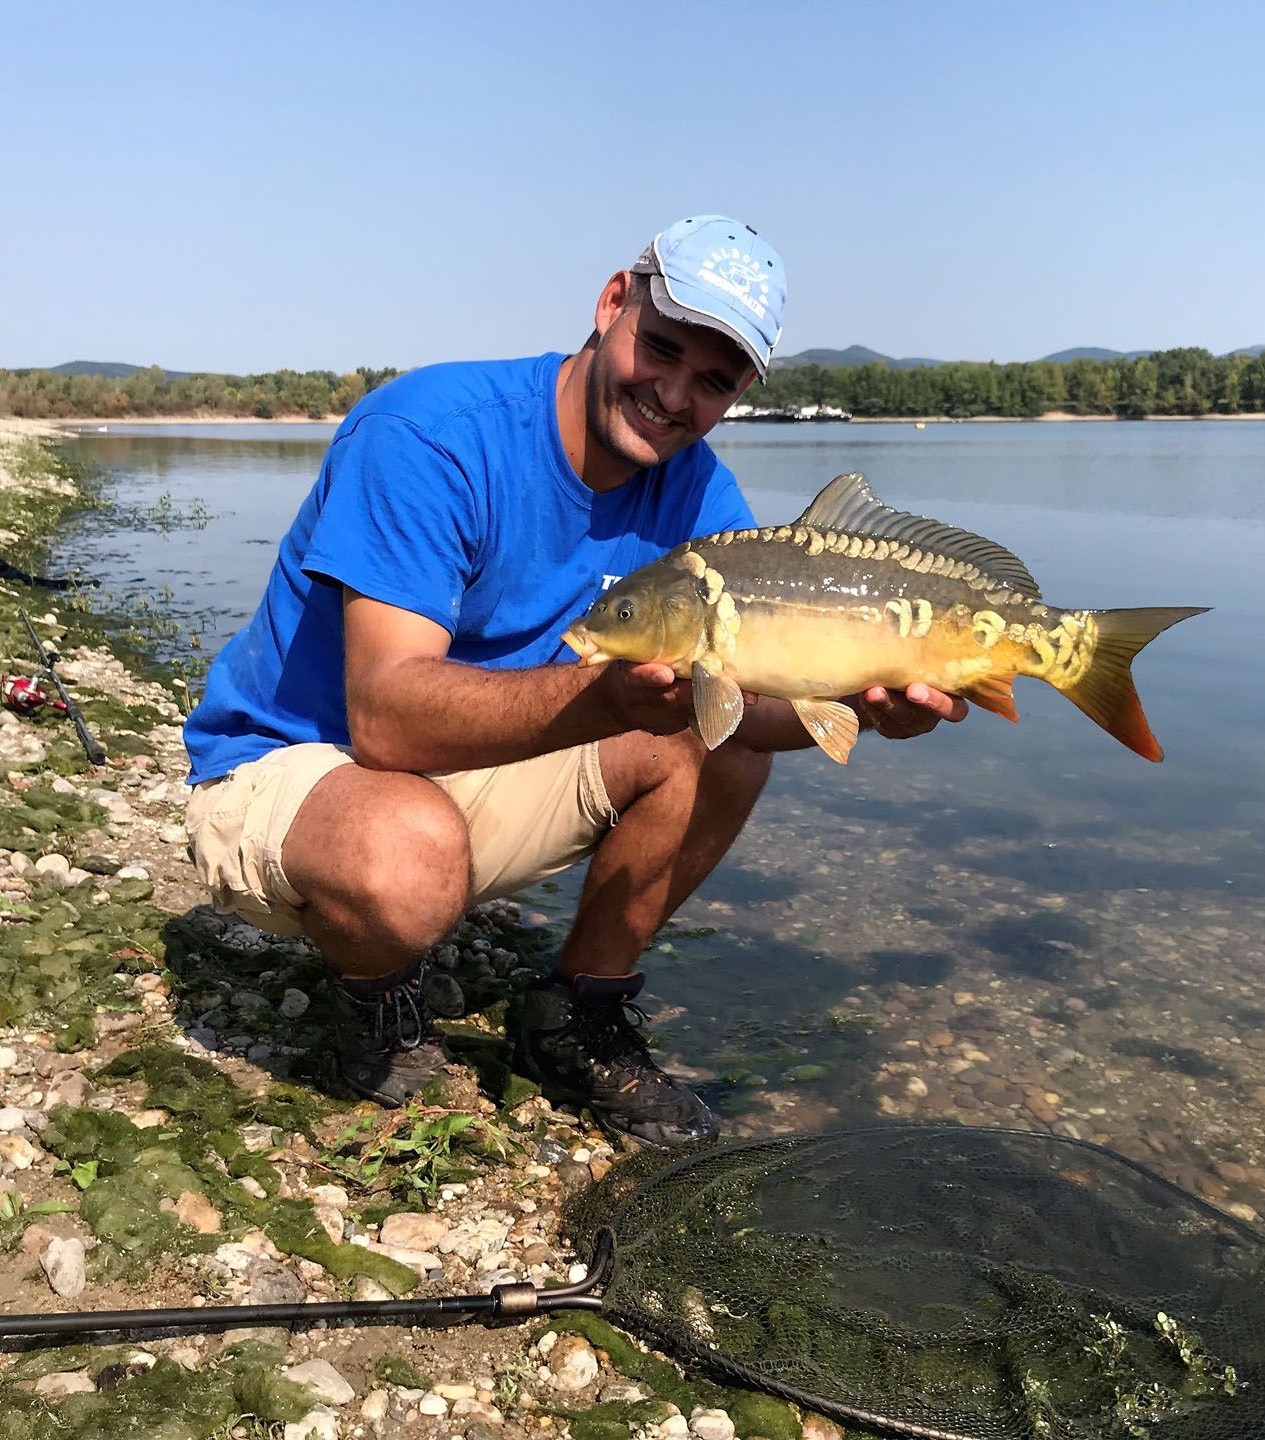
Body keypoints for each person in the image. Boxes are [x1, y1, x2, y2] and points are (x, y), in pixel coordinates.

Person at [181, 215, 966, 1146]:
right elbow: (386, 719)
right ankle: (375, 987)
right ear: (611, 303)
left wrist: (866, 711)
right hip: (302, 764)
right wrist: (608, 699)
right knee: (405, 862)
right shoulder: (430, 435)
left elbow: (751, 717)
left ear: (742, 391)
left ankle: (575, 1014)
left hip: (481, 760)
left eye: (713, 381)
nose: (673, 394)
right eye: (661, 347)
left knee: (718, 748)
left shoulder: (699, 496)